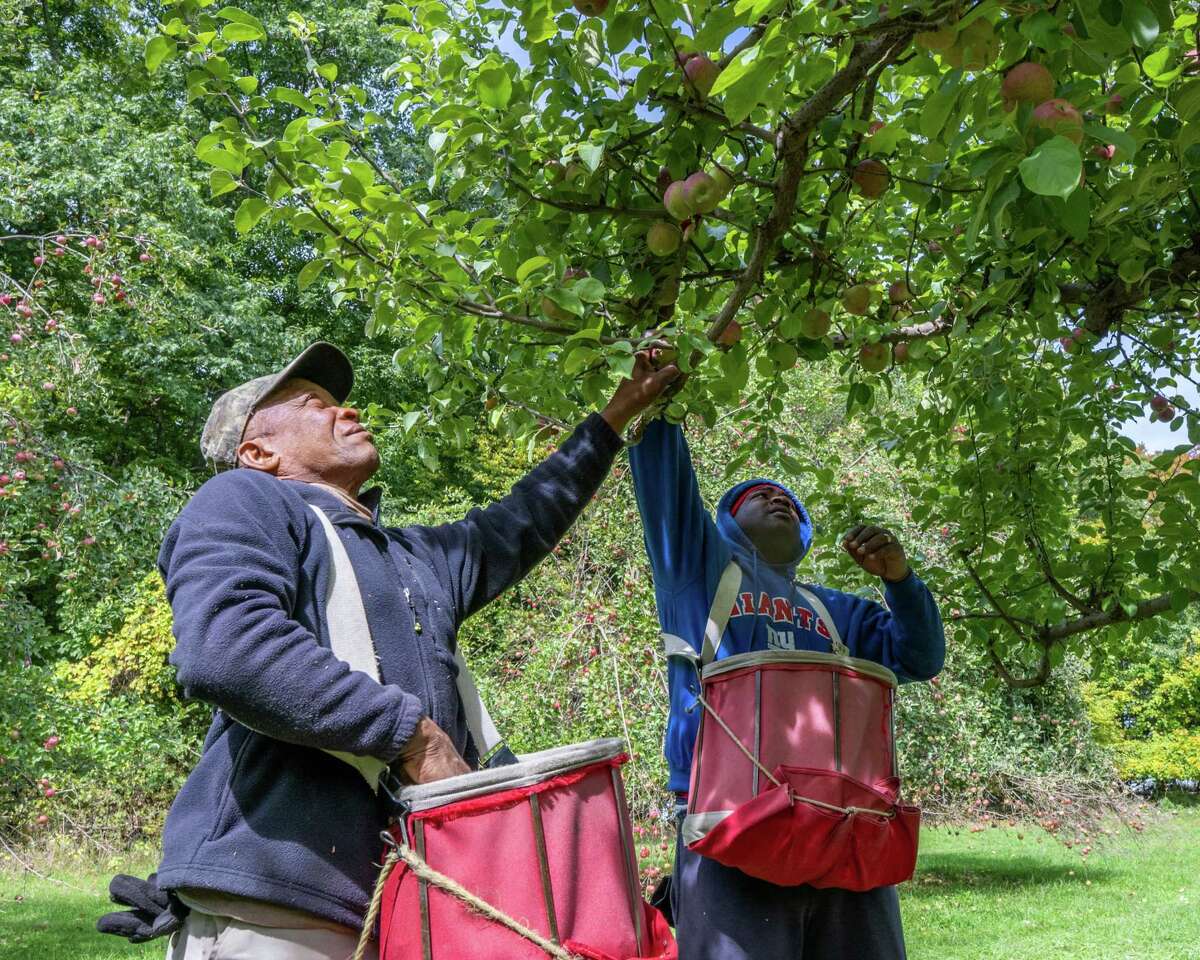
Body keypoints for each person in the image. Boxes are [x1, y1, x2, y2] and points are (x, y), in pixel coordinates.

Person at [100, 341, 678, 960]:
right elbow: (227, 647)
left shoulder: (410, 557)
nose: (344, 411)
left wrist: (617, 413)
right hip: (285, 902)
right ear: (258, 453)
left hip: (414, 902)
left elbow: (524, 518)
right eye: (314, 404)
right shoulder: (246, 500)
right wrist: (413, 737)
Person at [628, 416, 945, 960]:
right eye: (759, 495)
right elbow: (663, 478)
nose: (778, 499)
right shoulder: (696, 571)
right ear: (727, 517)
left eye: (789, 501)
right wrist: (661, 399)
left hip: (843, 828)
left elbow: (921, 657)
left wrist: (900, 580)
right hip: (726, 822)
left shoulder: (836, 610)